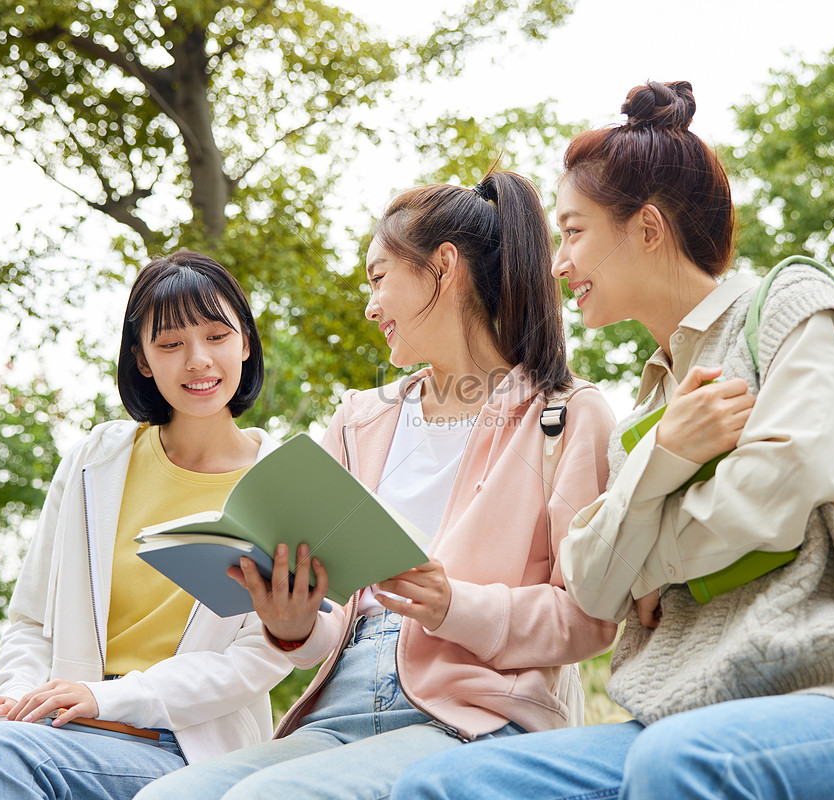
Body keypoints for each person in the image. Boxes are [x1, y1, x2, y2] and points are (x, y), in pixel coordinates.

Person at [392, 82, 834, 800]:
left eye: (573, 231)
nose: (559, 265)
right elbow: (594, 582)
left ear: (647, 229)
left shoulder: (789, 306)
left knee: (677, 765)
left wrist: (651, 566)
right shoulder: (649, 407)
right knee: (441, 784)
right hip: (680, 712)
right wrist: (666, 460)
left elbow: (778, 494)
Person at [137, 170, 618, 800]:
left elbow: (590, 618)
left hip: (475, 717)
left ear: (442, 269)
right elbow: (328, 630)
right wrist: (296, 622)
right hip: (337, 714)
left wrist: (456, 607)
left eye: (378, 277)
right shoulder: (360, 420)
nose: (370, 305)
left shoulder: (566, 415)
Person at [0, 250, 293, 800]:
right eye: (170, 344)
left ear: (245, 344)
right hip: (61, 726)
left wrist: (104, 700)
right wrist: (14, 700)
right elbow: (31, 620)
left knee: (1, 755)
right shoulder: (97, 460)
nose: (198, 361)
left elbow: (258, 657)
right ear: (141, 359)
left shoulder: (277, 483)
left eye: (216, 336)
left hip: (184, 747)